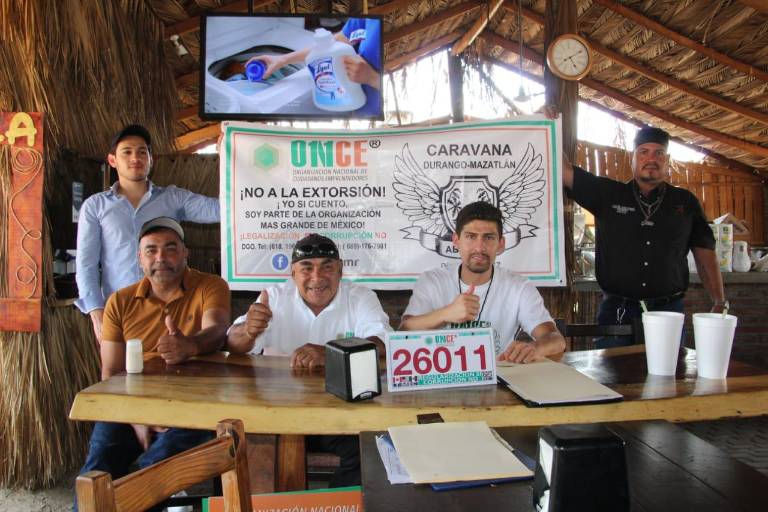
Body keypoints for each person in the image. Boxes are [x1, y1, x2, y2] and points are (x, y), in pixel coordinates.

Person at [76, 217, 230, 509]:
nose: (161, 257)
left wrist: (191, 345)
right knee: (98, 468)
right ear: (139, 257)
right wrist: (136, 415)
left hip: (193, 403)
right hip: (129, 402)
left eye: (171, 248)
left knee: (155, 469)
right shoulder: (120, 301)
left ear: (185, 253)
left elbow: (218, 328)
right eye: (151, 250)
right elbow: (110, 372)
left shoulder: (210, 286)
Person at [227, 233, 391, 487]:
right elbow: (233, 343)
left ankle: (339, 505)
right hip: (278, 411)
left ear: (340, 271)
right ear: (292, 273)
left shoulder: (360, 297)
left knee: (371, 450)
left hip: (341, 413)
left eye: (327, 267)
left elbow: (383, 345)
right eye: (307, 268)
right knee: (244, 451)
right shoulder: (275, 297)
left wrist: (331, 352)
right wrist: (249, 331)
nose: (317, 278)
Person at [562, 126, 726, 347]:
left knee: (668, 377)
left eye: (659, 153)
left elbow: (704, 251)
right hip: (617, 311)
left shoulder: (685, 202)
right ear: (633, 159)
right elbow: (563, 170)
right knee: (611, 378)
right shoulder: (608, 194)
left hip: (668, 311)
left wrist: (719, 300)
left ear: (667, 160)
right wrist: (547, 124)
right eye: (644, 152)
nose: (652, 159)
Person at [75, 124, 219, 345]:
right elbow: (86, 264)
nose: (136, 157)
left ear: (151, 160)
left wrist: (230, 156)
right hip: (120, 313)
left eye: (143, 151)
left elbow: (221, 210)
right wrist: (97, 312)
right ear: (113, 160)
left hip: (170, 311)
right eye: (127, 152)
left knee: (172, 374)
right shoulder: (95, 206)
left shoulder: (173, 198)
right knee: (119, 376)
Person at [400, 202, 566, 363]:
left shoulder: (519, 286)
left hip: (499, 381)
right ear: (456, 240)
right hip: (441, 381)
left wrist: (534, 348)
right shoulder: (432, 281)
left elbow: (555, 339)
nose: (479, 247)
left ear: (500, 244)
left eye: (488, 237)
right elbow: (404, 331)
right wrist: (446, 314)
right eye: (471, 237)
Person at [246, 17, 382, 116]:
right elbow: (331, 43)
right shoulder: (365, 18)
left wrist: (373, 77)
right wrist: (282, 59)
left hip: (378, 113)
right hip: (357, 109)